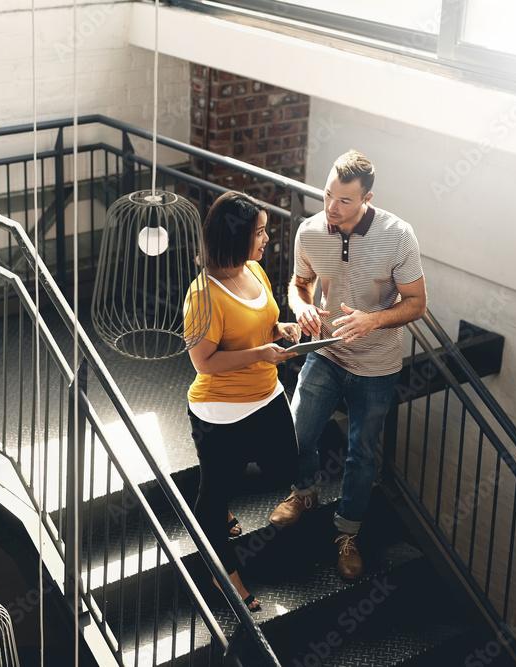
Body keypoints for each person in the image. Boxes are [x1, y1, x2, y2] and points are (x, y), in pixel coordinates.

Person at [269, 150, 427, 580]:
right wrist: (301, 306)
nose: (331, 209)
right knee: (298, 431)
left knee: (361, 454)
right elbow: (298, 284)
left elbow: (417, 304)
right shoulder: (309, 231)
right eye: (327, 196)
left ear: (367, 198)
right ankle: (304, 493)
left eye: (343, 201)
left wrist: (372, 319)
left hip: (376, 365)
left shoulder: (399, 236)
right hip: (325, 350)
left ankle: (348, 533)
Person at [183, 190, 301, 611]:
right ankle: (224, 578)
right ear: (236, 237)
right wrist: (260, 354)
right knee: (212, 499)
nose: (267, 239)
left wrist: (281, 330)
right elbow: (204, 363)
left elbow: (263, 327)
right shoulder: (203, 295)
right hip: (221, 413)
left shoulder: (255, 271)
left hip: (267, 395)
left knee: (287, 467)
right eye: (260, 232)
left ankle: (222, 504)